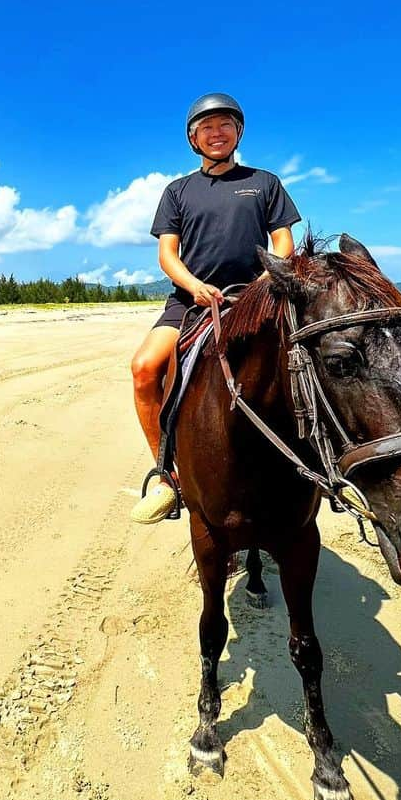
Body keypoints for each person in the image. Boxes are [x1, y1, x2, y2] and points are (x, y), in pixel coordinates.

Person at [129, 92, 301, 522]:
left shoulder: (265, 183)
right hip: (190, 301)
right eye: (206, 127)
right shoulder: (177, 191)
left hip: (256, 298)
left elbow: (283, 242)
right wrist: (195, 286)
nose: (216, 132)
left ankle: (321, 462)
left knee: (308, 361)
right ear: (193, 138)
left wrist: (265, 281)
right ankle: (168, 475)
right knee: (144, 369)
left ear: (238, 131)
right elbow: (168, 254)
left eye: (224, 124)